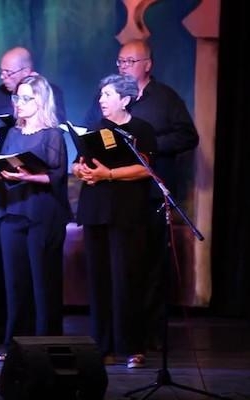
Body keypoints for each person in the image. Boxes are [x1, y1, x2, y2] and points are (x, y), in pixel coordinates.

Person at [0, 46, 67, 346]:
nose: (20, 103)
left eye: (27, 98)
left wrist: (29, 175)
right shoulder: (13, 133)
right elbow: (8, 171)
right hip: (12, 212)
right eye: (18, 98)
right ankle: (15, 344)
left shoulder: (51, 134)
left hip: (41, 214)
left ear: (41, 101)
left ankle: (45, 343)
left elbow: (55, 176)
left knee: (42, 282)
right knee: (15, 282)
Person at [114, 39, 199, 351]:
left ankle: (150, 333)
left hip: (152, 195)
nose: (124, 67)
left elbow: (188, 136)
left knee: (152, 266)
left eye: (130, 62)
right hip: (119, 196)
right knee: (125, 265)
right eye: (120, 62)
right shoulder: (114, 98)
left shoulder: (165, 98)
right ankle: (123, 333)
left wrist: (150, 145)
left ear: (147, 64)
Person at [72, 74, 156, 369]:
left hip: (127, 213)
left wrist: (108, 174)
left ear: (125, 99)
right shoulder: (96, 129)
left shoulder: (141, 129)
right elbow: (77, 163)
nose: (101, 100)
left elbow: (145, 168)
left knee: (127, 279)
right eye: (101, 95)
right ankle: (102, 345)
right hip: (96, 211)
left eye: (107, 95)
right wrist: (81, 171)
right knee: (99, 281)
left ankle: (131, 346)